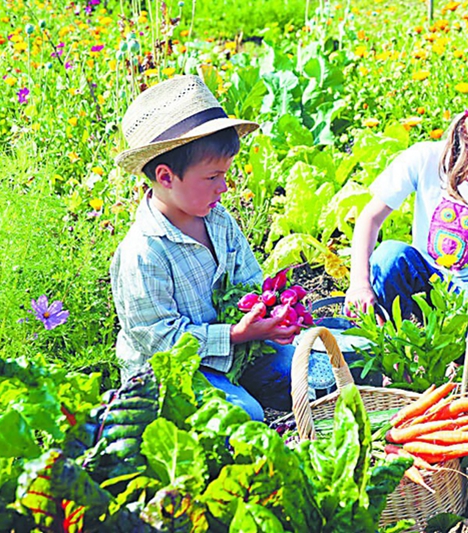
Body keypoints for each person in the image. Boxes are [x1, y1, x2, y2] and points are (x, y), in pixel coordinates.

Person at [110, 75, 328, 422]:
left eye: (225, 175)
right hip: (174, 373)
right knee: (244, 419)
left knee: (319, 375)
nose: (224, 187)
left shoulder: (218, 220)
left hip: (240, 347)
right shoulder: (144, 252)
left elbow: (249, 280)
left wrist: (269, 314)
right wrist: (235, 333)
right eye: (213, 177)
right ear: (166, 177)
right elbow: (160, 342)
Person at [345, 78, 468, 337]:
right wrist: (359, 284)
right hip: (425, 282)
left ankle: (459, 356)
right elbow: (370, 219)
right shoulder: (425, 159)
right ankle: (403, 346)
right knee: (389, 256)